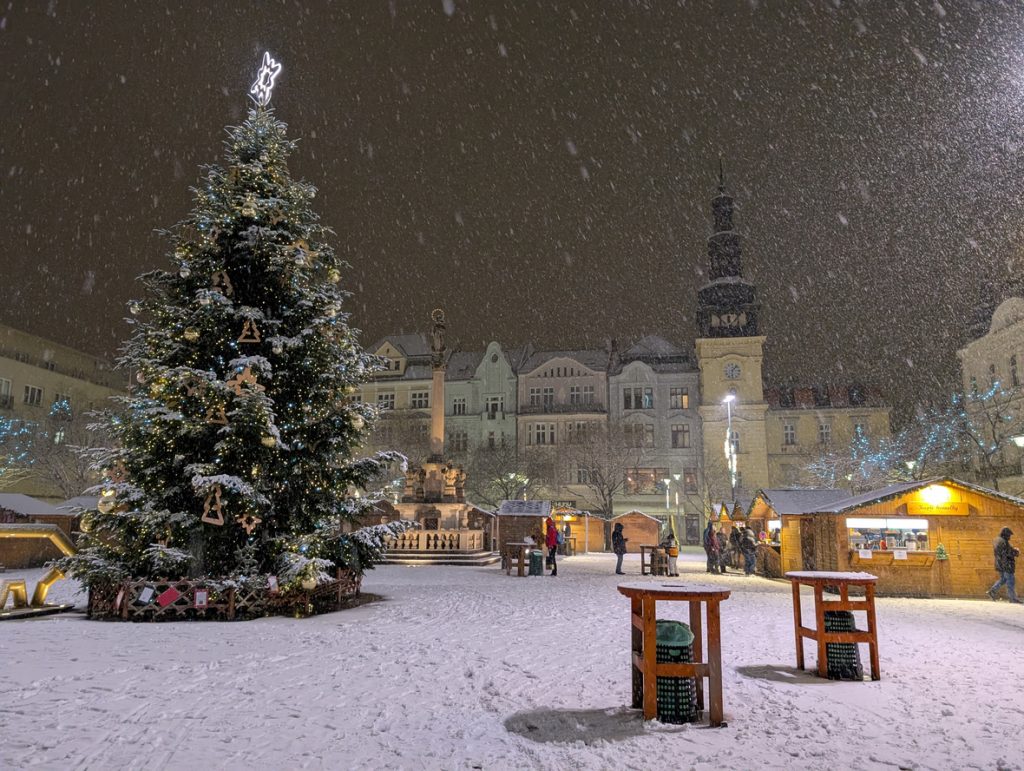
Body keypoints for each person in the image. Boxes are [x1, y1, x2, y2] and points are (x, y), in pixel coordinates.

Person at [988, 527, 1021, 603]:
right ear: (1005, 534)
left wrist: (1012, 550)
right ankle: (1012, 598)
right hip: (1006, 564)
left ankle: (992, 591)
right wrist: (1016, 552)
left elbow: (1002, 552)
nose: (1010, 537)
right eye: (1009, 535)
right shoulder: (1003, 542)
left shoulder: (998, 540)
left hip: (1001, 564)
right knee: (1010, 581)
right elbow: (1007, 553)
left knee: (1003, 579)